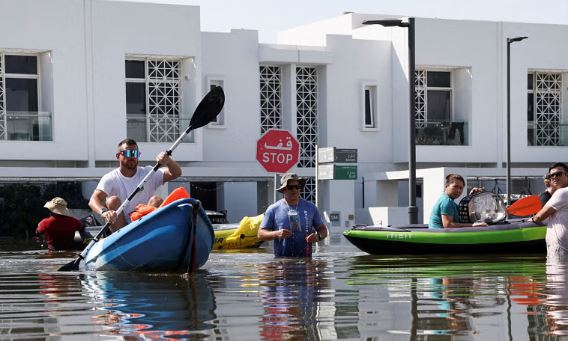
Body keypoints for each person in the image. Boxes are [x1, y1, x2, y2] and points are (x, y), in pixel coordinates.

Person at [89, 138, 182, 232]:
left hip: (143, 223)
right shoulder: (110, 178)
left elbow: (176, 173)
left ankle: (147, 234)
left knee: (156, 200)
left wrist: (168, 161)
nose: (132, 157)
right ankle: (123, 238)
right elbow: (93, 200)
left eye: (135, 154)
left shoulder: (148, 172)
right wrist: (104, 212)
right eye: (128, 153)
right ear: (118, 156)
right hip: (120, 226)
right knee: (112, 201)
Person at [258, 173, 328, 257]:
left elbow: (323, 229)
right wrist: (277, 234)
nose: (294, 190)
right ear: (283, 189)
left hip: (306, 261)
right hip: (282, 262)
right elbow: (260, 234)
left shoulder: (310, 207)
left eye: (297, 187)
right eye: (290, 187)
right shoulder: (273, 209)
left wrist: (318, 236)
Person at [529, 162, 568, 255]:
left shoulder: (562, 192)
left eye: (558, 174)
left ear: (567, 175)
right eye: (551, 175)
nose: (554, 177)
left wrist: (533, 218)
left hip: (561, 249)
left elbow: (540, 217)